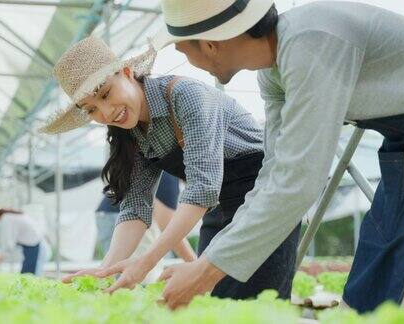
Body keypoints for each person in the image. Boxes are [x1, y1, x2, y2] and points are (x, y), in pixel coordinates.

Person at [153, 0, 404, 319]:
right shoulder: (273, 72)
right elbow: (274, 175)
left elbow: (300, 181)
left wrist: (205, 272)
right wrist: (209, 263)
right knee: (376, 273)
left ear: (210, 44)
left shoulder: (310, 41)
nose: (184, 58)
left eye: (181, 49)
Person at [41, 36, 300, 300]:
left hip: (265, 193)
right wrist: (104, 272)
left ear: (128, 73)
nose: (106, 114)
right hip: (221, 203)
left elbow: (202, 187)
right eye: (92, 110)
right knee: (218, 300)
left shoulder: (186, 96)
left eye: (106, 94)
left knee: (255, 301)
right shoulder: (130, 134)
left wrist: (146, 262)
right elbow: (135, 209)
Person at [94, 171, 196, 262]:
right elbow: (169, 227)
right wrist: (194, 264)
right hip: (124, 217)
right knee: (140, 275)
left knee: (121, 270)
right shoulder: (168, 176)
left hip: (109, 214)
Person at [0, 199, 51, 276]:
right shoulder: (8, 217)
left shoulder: (8, 219)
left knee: (30, 278)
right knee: (26, 277)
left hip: (37, 247)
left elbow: (7, 248)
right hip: (33, 248)